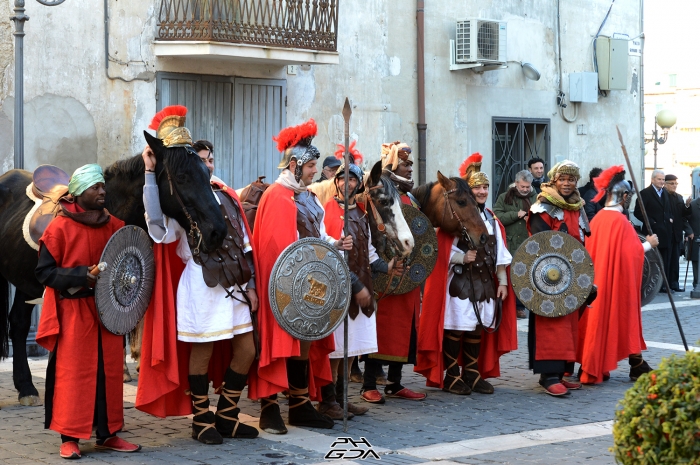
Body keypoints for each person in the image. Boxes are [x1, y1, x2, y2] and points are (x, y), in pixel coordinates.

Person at [141, 133, 260, 443]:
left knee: (247, 349)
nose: (208, 165)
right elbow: (156, 226)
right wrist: (149, 175)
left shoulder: (228, 196)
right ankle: (201, 420)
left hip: (234, 284)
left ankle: (227, 416)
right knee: (202, 352)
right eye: (202, 161)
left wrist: (252, 286)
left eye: (211, 160)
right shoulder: (185, 203)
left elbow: (243, 244)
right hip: (201, 286)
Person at [249, 119, 353, 434]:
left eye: (314, 166)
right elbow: (273, 251)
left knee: (306, 337)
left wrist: (336, 244)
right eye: (309, 165)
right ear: (294, 165)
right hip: (280, 287)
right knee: (278, 341)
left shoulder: (307, 197)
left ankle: (299, 404)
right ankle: (269, 407)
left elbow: (317, 238)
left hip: (307, 286)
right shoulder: (276, 197)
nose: (313, 171)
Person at [36, 164, 141, 459]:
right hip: (74, 309)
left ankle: (108, 435)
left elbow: (129, 263)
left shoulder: (114, 225)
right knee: (73, 375)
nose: (102, 192)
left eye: (103, 187)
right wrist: (82, 275)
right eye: (95, 188)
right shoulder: (59, 227)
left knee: (108, 374)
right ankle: (69, 437)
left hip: (108, 310)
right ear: (79, 192)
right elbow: (44, 273)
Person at [416, 153, 517, 396]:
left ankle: (471, 374)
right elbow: (439, 252)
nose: (482, 192)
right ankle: (452, 375)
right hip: (459, 283)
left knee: (476, 328)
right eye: (477, 188)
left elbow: (500, 253)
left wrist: (502, 281)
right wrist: (462, 257)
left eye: (485, 187)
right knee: (456, 328)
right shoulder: (456, 217)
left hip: (484, 284)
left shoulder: (491, 218)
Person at [315, 144, 396, 419]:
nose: (347, 183)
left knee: (350, 351)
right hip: (336, 286)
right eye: (342, 179)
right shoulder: (325, 210)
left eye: (352, 179)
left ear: (358, 184)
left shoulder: (361, 214)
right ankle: (329, 402)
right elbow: (321, 250)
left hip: (362, 283)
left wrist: (388, 267)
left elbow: (370, 253)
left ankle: (342, 400)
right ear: (336, 183)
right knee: (335, 350)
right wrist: (338, 245)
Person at [360, 141, 427, 404]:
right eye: (405, 164)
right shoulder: (377, 191)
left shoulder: (410, 196)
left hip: (407, 272)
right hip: (383, 269)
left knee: (404, 328)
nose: (410, 168)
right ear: (391, 164)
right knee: (382, 328)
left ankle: (395, 383)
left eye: (411, 164)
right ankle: (368, 383)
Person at [578, 166, 657, 383]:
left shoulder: (598, 219)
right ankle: (631, 363)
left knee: (600, 320)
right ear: (623, 197)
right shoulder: (620, 222)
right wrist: (648, 245)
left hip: (596, 283)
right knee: (625, 316)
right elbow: (630, 253)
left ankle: (631, 362)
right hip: (612, 283)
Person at [526, 160, 592, 396]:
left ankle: (564, 371)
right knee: (551, 325)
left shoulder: (577, 206)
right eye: (562, 179)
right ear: (554, 180)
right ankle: (549, 375)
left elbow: (583, 240)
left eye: (571, 179)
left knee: (570, 325)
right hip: (549, 277)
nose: (566, 183)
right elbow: (539, 243)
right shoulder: (543, 206)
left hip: (573, 276)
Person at [493, 169, 537, 319]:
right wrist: (516, 215)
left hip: (528, 242)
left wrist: (531, 218)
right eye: (522, 186)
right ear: (516, 183)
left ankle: (520, 306)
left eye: (527, 187)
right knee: (510, 275)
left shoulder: (537, 198)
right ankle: (508, 305)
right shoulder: (504, 197)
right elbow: (497, 216)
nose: (525, 190)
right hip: (510, 243)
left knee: (525, 276)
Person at [634, 170, 673, 293]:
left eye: (663, 179)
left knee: (665, 259)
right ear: (652, 179)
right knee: (653, 260)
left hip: (665, 232)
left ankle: (664, 285)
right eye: (659, 179)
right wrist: (652, 223)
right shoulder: (645, 194)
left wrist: (669, 219)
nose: (662, 182)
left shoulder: (665, 193)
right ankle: (652, 285)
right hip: (652, 233)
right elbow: (638, 212)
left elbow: (667, 210)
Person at [664, 174, 693, 292]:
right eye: (672, 183)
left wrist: (687, 205)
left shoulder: (679, 197)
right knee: (667, 260)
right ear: (665, 184)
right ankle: (665, 285)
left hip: (676, 234)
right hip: (666, 234)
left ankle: (674, 284)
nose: (674, 186)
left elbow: (684, 215)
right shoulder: (663, 197)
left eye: (676, 183)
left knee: (675, 260)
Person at [687, 195, 700, 292]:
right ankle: (697, 283)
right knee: (696, 262)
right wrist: (689, 231)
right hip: (695, 236)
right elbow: (684, 220)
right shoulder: (692, 205)